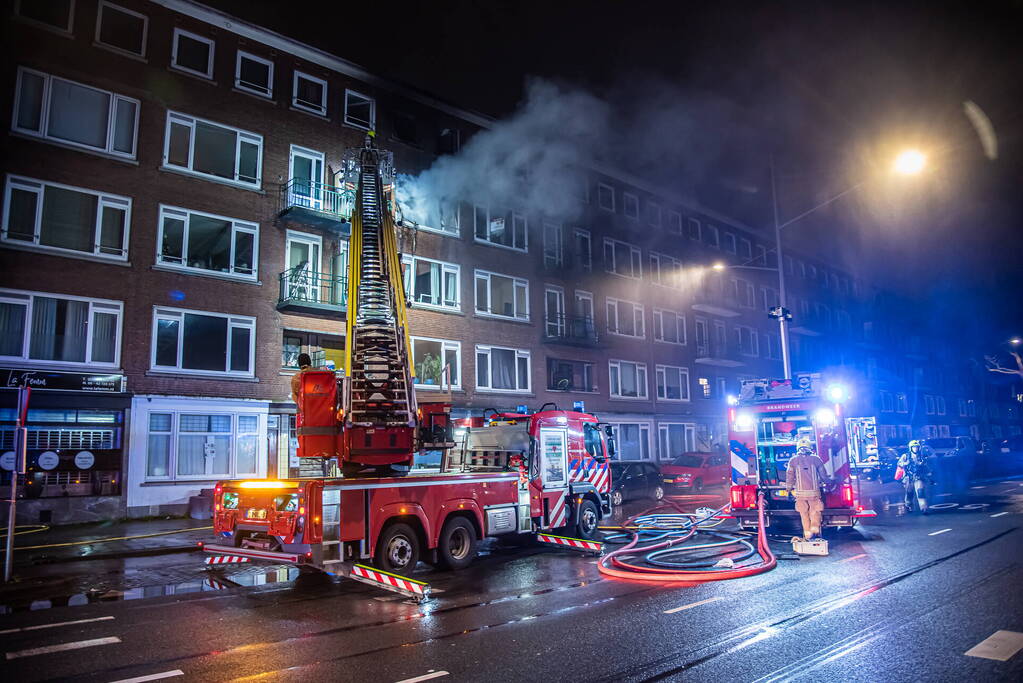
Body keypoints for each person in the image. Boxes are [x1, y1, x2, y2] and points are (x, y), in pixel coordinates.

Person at [785, 439, 830, 540]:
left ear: (798, 448)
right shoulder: (816, 459)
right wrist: (829, 482)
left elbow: (790, 477)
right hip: (814, 493)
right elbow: (823, 475)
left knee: (803, 514)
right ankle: (814, 528)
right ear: (810, 447)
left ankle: (807, 534)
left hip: (800, 495)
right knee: (815, 511)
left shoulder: (793, 460)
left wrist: (788, 489)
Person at [897, 440, 934, 514]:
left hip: (918, 477)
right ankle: (908, 505)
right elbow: (899, 463)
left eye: (917, 447)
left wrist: (930, 475)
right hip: (909, 478)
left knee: (921, 492)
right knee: (909, 493)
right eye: (914, 447)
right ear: (910, 448)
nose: (915, 449)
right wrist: (905, 463)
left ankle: (924, 508)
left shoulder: (921, 456)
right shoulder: (906, 456)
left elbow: (926, 467)